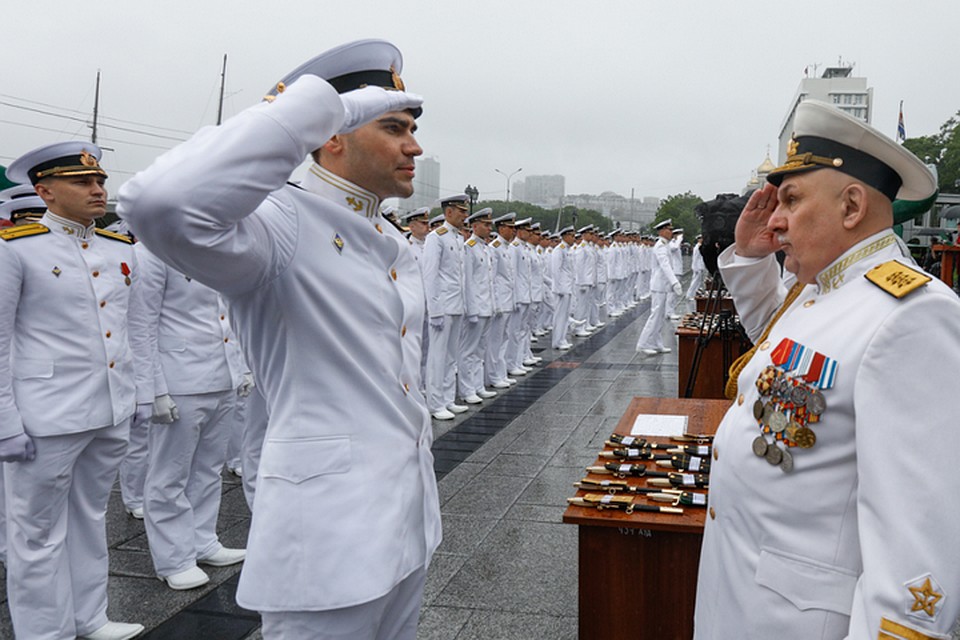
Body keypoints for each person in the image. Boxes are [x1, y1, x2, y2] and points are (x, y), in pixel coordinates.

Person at [119, 39, 441, 640]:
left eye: (413, 128)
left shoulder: (387, 235)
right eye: (394, 126)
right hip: (326, 539)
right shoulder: (278, 223)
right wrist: (310, 104)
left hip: (407, 523)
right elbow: (157, 203)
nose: (414, 145)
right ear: (333, 133)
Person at [694, 99, 960, 640]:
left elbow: (917, 550)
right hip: (745, 601)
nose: (774, 218)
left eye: (790, 199)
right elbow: (788, 353)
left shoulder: (912, 315)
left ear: (852, 205)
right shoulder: (827, 290)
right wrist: (748, 257)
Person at [0, 142, 144, 640]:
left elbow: (129, 330)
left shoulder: (118, 248)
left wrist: (137, 397)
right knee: (35, 535)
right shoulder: (17, 248)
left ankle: (90, 617)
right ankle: (44, 632)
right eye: (81, 182)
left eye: (99, 181)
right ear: (44, 191)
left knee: (89, 517)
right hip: (45, 416)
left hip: (109, 408)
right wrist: (4, 424)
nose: (97, 189)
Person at [131, 242, 249, 590]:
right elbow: (142, 326)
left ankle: (203, 540)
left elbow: (230, 314)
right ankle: (173, 559)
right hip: (178, 378)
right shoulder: (153, 251)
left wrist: (240, 368)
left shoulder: (217, 248)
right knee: (169, 474)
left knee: (209, 468)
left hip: (221, 374)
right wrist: (153, 389)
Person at [421, 194, 468, 420]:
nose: (465, 215)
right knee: (437, 357)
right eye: (461, 211)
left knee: (451, 356)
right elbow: (430, 276)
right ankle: (435, 402)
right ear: (449, 212)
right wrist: (435, 310)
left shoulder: (458, 238)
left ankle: (448, 398)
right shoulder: (435, 238)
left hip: (456, 305)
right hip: (443, 307)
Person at [457, 207, 497, 404]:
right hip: (476, 308)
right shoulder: (469, 247)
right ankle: (467, 390)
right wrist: (471, 310)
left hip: (486, 306)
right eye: (486, 224)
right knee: (468, 351)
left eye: (490, 224)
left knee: (480, 349)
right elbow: (468, 282)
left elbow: (489, 281)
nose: (489, 228)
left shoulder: (485, 248)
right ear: (474, 226)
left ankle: (478, 385)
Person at [635, 219, 682, 355]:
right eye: (669, 229)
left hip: (662, 285)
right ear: (662, 231)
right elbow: (665, 265)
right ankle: (642, 344)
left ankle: (656, 343)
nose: (671, 232)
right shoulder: (660, 246)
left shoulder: (665, 244)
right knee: (655, 315)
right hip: (659, 285)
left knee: (660, 316)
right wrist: (674, 282)